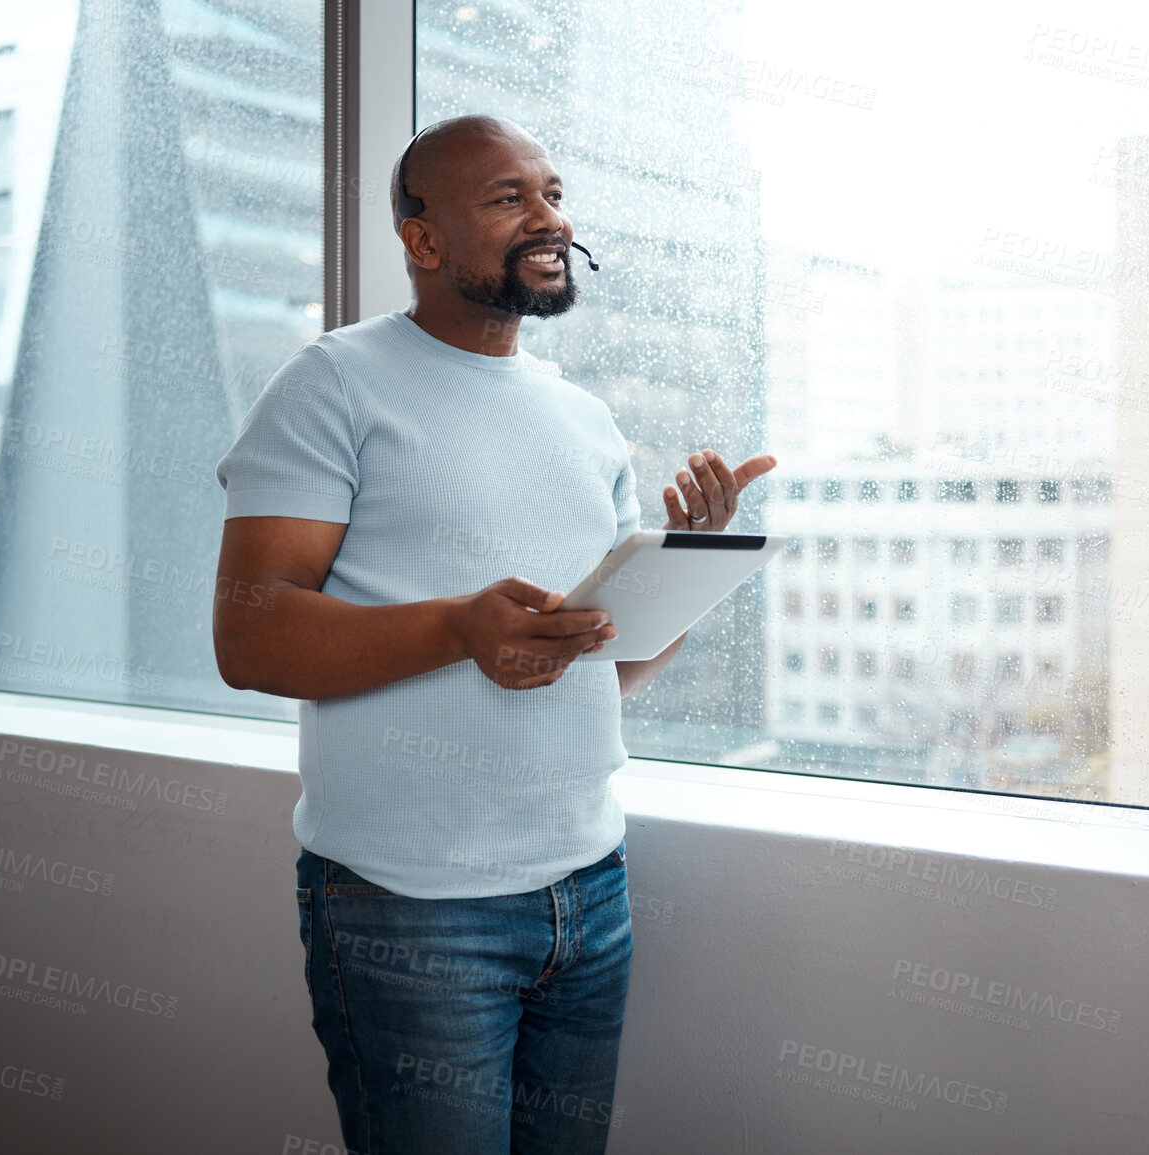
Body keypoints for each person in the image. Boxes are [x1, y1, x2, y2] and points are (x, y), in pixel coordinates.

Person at [212, 113, 775, 1155]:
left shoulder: (583, 417)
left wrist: (683, 565)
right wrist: (461, 629)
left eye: (553, 192)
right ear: (422, 241)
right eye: (509, 198)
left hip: (587, 892)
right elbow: (252, 640)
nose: (548, 216)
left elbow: (606, 667)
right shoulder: (332, 384)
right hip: (411, 911)